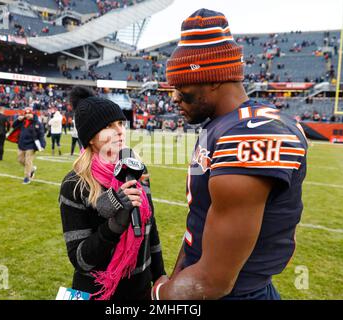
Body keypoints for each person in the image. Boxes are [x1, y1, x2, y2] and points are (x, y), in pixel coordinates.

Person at [151, 9, 308, 300]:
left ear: (213, 79)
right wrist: (176, 278)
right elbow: (200, 223)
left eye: (181, 84)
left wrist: (161, 294)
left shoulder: (252, 134)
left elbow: (212, 281)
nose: (173, 96)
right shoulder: (221, 125)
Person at [59, 86, 166, 300]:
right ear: (90, 137)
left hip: (140, 289)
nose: (119, 131)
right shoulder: (75, 184)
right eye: (109, 126)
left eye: (120, 123)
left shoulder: (137, 169)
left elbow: (149, 227)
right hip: (97, 291)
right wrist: (113, 226)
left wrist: (160, 273)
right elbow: (80, 260)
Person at [12, 107, 46, 184]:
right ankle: (32, 169)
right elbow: (13, 126)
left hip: (31, 145)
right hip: (22, 144)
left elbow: (41, 134)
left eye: (29, 113)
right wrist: (18, 120)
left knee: (28, 161)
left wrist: (42, 145)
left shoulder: (37, 123)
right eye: (26, 113)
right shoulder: (23, 121)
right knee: (20, 160)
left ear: (32, 113)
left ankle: (27, 178)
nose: (28, 115)